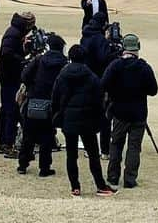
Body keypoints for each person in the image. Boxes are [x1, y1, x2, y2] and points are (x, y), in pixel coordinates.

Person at [51, 45, 117, 198]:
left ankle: (75, 186)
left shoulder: (63, 74)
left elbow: (55, 96)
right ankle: (100, 185)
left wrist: (57, 114)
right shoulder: (91, 76)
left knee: (71, 155)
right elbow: (99, 98)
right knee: (93, 154)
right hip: (87, 119)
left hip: (69, 118)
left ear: (70, 57)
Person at [102, 33, 158, 189]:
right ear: (137, 48)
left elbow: (103, 84)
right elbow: (153, 90)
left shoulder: (115, 66)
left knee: (116, 145)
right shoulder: (144, 67)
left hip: (119, 111)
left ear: (123, 48)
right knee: (134, 147)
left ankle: (113, 176)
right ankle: (130, 178)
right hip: (138, 113)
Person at [17, 32, 66, 178]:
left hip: (34, 100)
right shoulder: (64, 63)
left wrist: (33, 87)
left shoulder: (39, 60)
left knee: (28, 134)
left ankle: (22, 164)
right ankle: (44, 168)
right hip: (51, 103)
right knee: (47, 136)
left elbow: (25, 76)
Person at [0, 10, 36, 158]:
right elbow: (6, 54)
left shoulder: (15, 32)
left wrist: (23, 48)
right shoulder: (13, 34)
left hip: (7, 76)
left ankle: (3, 142)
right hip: (9, 77)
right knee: (11, 110)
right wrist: (23, 60)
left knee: (6, 109)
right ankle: (8, 144)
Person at [79, 11, 114, 157]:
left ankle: (89, 148)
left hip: (86, 79)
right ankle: (104, 150)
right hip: (99, 79)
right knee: (105, 116)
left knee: (88, 115)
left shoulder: (85, 36)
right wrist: (108, 44)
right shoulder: (99, 38)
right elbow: (103, 58)